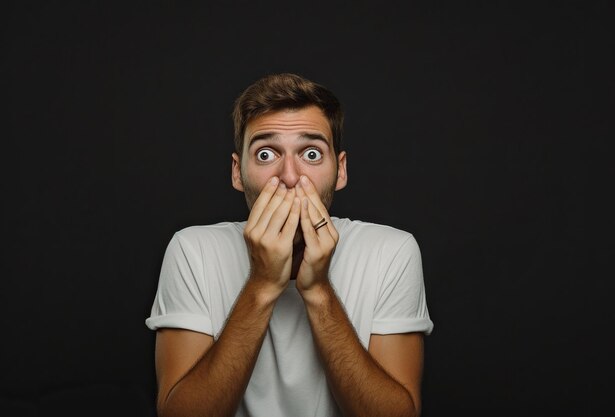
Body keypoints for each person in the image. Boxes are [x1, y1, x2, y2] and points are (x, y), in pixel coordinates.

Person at [145, 73, 434, 417]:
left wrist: (318, 290)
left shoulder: (392, 252)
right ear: (238, 173)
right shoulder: (193, 250)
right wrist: (262, 284)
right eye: (266, 154)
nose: (290, 176)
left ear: (340, 171)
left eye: (311, 153)